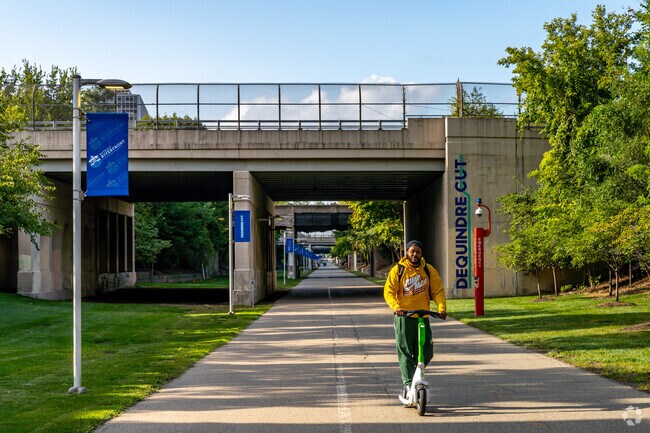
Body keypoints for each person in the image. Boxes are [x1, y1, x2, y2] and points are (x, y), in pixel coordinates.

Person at [384, 239, 447, 400]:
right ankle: (407, 383)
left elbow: (438, 291)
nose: (415, 254)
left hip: (422, 316)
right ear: (407, 252)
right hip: (404, 317)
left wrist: (441, 308)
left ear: (421, 253)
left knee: (426, 351)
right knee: (405, 351)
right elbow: (389, 292)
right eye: (412, 251)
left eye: (418, 251)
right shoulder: (398, 270)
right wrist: (396, 306)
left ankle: (415, 376)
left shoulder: (428, 269)